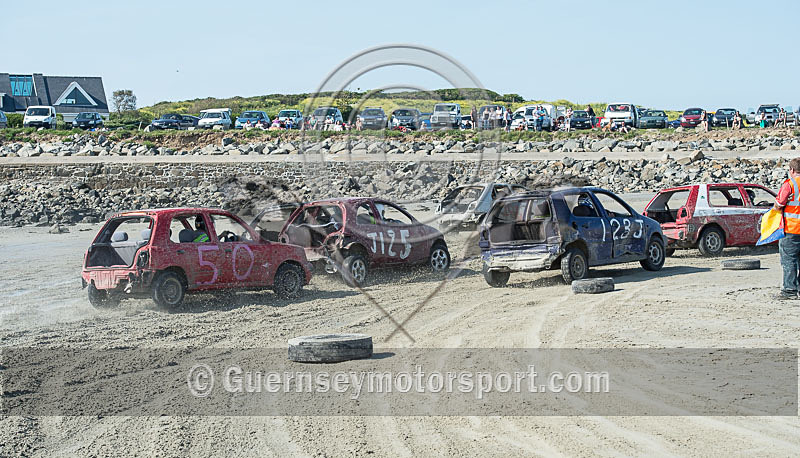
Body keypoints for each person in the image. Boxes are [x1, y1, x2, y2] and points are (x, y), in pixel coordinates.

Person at [773, 157, 800, 300]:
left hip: (791, 229)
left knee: (789, 260)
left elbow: (778, 204)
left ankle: (789, 290)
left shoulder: (790, 184)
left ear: (792, 170)